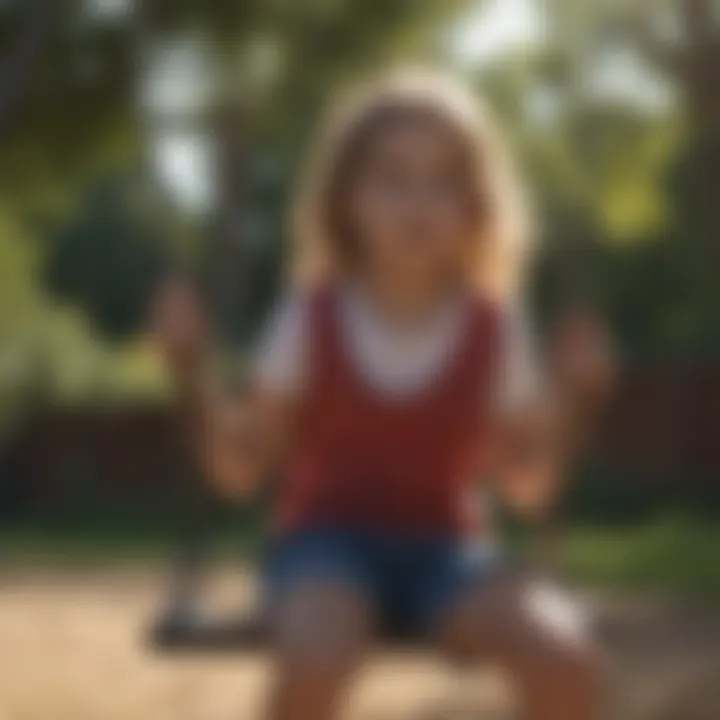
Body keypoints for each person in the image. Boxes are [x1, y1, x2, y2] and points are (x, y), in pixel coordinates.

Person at [152, 69, 615, 720]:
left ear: (476, 204)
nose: (417, 203)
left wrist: (574, 399)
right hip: (322, 545)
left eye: (443, 183)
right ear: (346, 200)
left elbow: (527, 486)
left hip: (449, 553)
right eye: (392, 179)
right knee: (318, 656)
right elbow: (237, 472)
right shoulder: (309, 317)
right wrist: (191, 372)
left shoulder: (495, 327)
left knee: (567, 659)